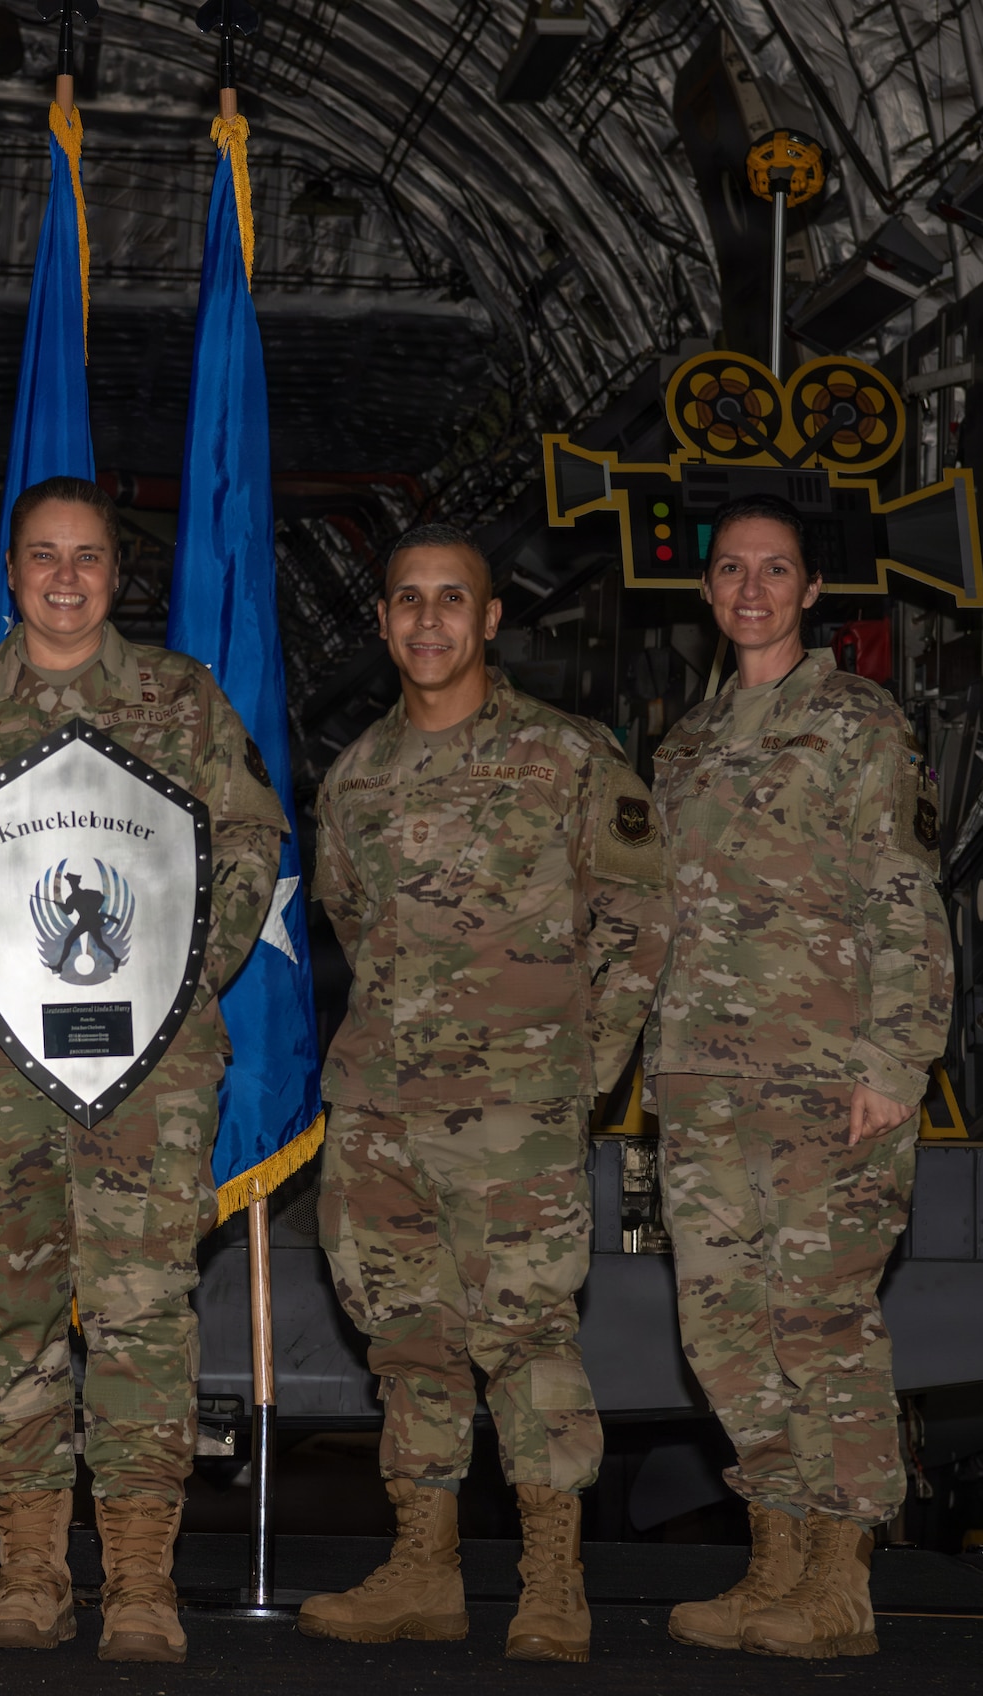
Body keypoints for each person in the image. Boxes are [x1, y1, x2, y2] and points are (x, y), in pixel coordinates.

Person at [0, 476, 285, 1664]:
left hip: (153, 1065)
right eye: (41, 555)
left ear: (115, 573)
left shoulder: (179, 701)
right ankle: (31, 1568)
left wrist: (196, 955)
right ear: (9, 570)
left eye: (86, 556)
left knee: (145, 1314)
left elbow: (250, 836)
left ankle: (141, 1578)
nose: (63, 576)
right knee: (14, 1315)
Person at [301, 523, 670, 1663]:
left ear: (490, 618)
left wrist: (578, 1070)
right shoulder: (354, 778)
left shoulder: (566, 759)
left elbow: (638, 919)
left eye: (450, 599)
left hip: (516, 1121)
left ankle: (552, 1582)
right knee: (406, 1344)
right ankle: (423, 1571)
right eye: (405, 599)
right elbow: (352, 928)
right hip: (379, 1118)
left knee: (523, 1338)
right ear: (380, 621)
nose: (426, 620)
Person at [648, 494, 952, 1660]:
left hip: (827, 1077)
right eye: (731, 570)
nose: (752, 590)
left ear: (809, 591)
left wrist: (895, 1062)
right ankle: (774, 1553)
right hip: (701, 1080)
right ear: (709, 588)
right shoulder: (683, 744)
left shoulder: (856, 725)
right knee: (721, 1327)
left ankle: (841, 1577)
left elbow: (899, 893)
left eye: (774, 571)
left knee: (821, 1324)